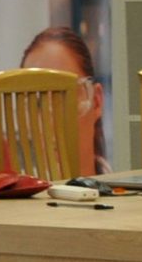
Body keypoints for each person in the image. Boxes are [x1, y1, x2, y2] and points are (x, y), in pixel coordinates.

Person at [22, 24, 111, 176]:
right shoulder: (14, 190)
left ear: (96, 101)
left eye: (63, 98)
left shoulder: (124, 189)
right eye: (37, 103)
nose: (50, 121)